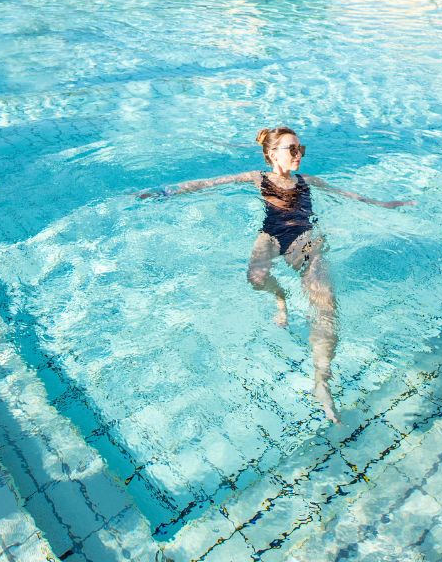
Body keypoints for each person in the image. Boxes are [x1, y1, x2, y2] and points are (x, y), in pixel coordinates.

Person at [138, 126, 411, 422]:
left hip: (304, 238)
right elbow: (209, 183)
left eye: (300, 149)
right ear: (271, 154)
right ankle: (280, 297)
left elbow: (350, 195)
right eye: (291, 149)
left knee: (325, 302)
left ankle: (321, 381)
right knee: (255, 279)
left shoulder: (308, 181)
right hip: (270, 235)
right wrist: (165, 192)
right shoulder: (259, 178)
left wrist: (386, 205)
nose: (298, 155)